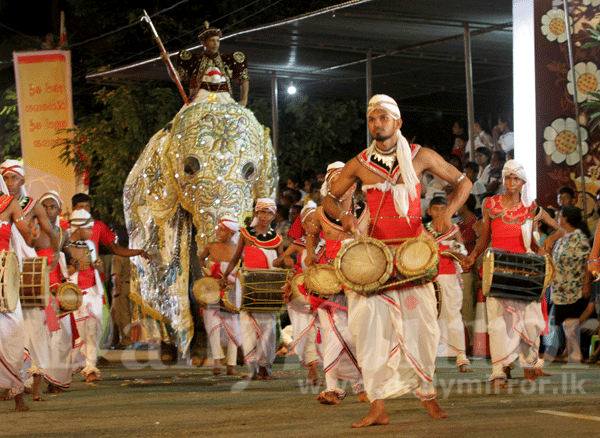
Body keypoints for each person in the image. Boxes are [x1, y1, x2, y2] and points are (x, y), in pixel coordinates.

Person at [323, 95, 472, 427]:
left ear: (398, 122)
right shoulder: (360, 163)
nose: (378, 123)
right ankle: (377, 404)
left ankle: (428, 395)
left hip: (413, 255)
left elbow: (463, 182)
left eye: (384, 118)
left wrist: (448, 212)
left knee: (423, 329)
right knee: (370, 331)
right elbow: (330, 200)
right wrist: (346, 216)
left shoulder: (420, 156)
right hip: (373, 259)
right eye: (373, 118)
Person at [461, 160, 550, 388]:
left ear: (523, 183)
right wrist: (473, 256)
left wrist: (544, 252)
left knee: (530, 321)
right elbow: (484, 237)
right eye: (508, 178)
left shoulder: (531, 210)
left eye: (516, 179)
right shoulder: (490, 205)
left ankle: (529, 363)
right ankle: (499, 369)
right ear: (503, 180)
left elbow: (533, 242)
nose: (511, 183)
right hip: (497, 268)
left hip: (524, 271)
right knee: (498, 321)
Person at [305, 162, 369, 405]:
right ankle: (331, 388)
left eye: (344, 181)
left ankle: (361, 385)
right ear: (328, 187)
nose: (340, 187)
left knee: (358, 332)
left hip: (359, 276)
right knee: (332, 332)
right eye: (333, 182)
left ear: (353, 186)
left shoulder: (365, 210)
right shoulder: (321, 213)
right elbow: (311, 234)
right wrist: (310, 253)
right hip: (328, 279)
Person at [1, 160, 59, 401]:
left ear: (22, 181)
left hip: (12, 270)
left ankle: (20, 386)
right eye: (6, 178)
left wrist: (51, 252)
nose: (10, 182)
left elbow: (30, 238)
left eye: (14, 178)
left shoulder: (16, 205)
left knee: (20, 329)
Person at [222, 199, 284, 379]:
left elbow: (280, 264)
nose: (265, 216)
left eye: (269, 213)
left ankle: (265, 367)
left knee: (269, 328)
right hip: (248, 287)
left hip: (268, 288)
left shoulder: (277, 239)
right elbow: (235, 259)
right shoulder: (245, 234)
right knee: (248, 325)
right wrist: (225, 277)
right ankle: (252, 368)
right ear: (256, 213)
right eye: (262, 212)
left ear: (274, 215)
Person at [273, 201, 322, 386]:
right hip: (300, 296)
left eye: (315, 220)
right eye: (309, 221)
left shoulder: (327, 243)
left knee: (320, 334)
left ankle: (322, 371)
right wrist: (286, 259)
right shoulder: (298, 245)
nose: (313, 224)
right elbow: (276, 263)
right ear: (303, 225)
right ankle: (313, 370)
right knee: (305, 334)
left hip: (322, 295)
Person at [424, 197, 471, 372]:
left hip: (450, 276)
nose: (440, 212)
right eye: (436, 208)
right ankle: (430, 361)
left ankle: (462, 358)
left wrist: (451, 252)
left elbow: (463, 253)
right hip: (430, 279)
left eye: (444, 208)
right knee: (430, 318)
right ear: (429, 211)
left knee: (454, 316)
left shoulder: (453, 229)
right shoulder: (423, 230)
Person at [33, 191, 73, 394]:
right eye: (44, 206)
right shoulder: (33, 231)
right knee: (48, 334)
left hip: (60, 291)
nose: (48, 211)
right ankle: (41, 379)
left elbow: (69, 257)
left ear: (59, 210)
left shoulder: (64, 234)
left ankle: (56, 379)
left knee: (61, 336)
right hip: (41, 290)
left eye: (52, 207)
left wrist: (76, 264)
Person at [0, 177, 35, 412]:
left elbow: (25, 234)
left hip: (5, 278)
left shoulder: (10, 204)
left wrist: (31, 233)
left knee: (14, 332)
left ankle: (17, 393)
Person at [198, 216, 242, 376]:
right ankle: (217, 361)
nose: (218, 232)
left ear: (231, 233)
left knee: (233, 326)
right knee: (213, 325)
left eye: (223, 229)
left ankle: (231, 365)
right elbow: (201, 259)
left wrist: (231, 280)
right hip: (213, 290)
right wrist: (207, 274)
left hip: (231, 291)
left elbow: (242, 268)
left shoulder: (238, 248)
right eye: (218, 228)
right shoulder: (210, 246)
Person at [550, 206, 591, 362]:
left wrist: (587, 283)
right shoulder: (564, 236)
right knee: (566, 320)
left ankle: (576, 352)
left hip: (573, 285)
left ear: (565, 218)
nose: (558, 218)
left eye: (559, 215)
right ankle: (569, 350)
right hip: (561, 286)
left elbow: (587, 260)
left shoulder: (579, 237)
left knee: (569, 322)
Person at [175, 24, 249, 106]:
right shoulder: (195, 61)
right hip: (200, 100)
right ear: (203, 43)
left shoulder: (228, 59)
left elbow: (243, 78)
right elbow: (178, 78)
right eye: (212, 40)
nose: (215, 44)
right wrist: (168, 64)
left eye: (217, 40)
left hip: (224, 100)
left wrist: (244, 99)